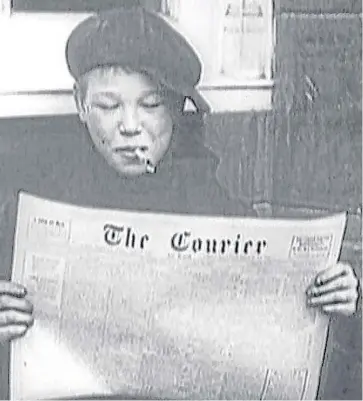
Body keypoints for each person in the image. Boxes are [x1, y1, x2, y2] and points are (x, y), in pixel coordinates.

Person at [0, 4, 359, 399]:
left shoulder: (205, 197)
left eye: (151, 105)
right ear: (81, 105)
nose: (130, 125)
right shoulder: (35, 206)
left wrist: (336, 293)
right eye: (108, 105)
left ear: (176, 110)